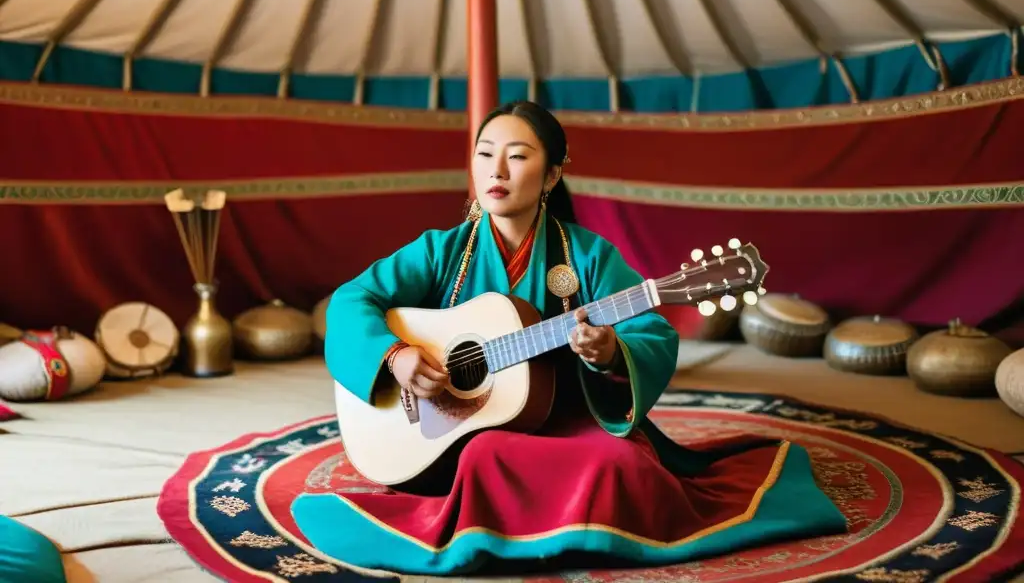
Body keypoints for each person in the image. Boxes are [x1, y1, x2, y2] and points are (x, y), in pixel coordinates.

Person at [291, 101, 846, 576]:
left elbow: (649, 331)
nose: (497, 169)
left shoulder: (587, 256)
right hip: (472, 428)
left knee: (621, 468)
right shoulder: (441, 251)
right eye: (485, 153)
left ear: (552, 176)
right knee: (485, 454)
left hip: (568, 416)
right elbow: (351, 300)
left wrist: (611, 353)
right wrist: (396, 356)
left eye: (518, 155)